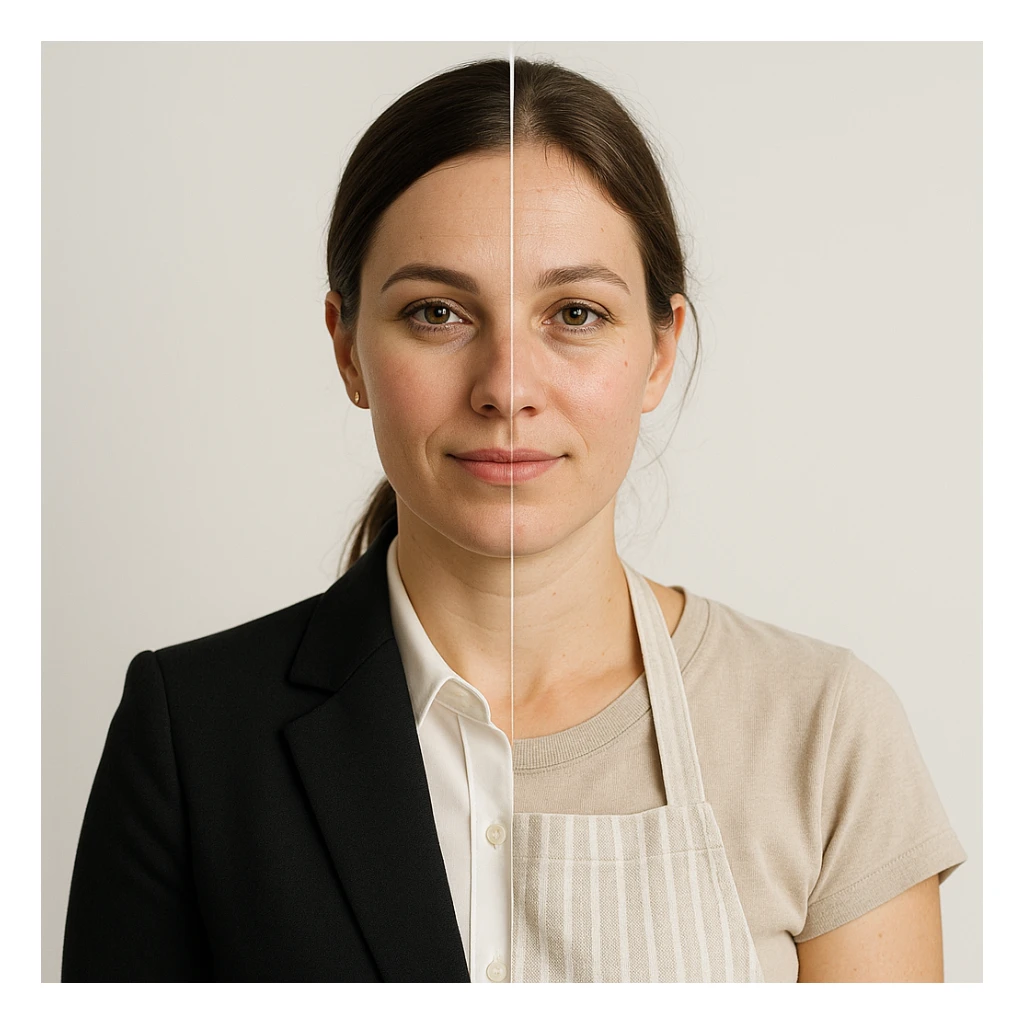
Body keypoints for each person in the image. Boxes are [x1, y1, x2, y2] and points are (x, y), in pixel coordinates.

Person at [61, 56, 967, 984]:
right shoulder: (194, 734)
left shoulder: (822, 731)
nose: (507, 388)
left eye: (574, 312)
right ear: (347, 348)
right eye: (438, 313)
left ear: (660, 351)